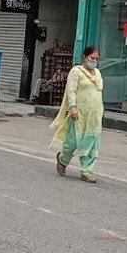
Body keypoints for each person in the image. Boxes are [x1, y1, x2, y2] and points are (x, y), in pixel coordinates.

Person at [51, 46, 104, 184]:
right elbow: (71, 91)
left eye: (97, 59)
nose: (94, 61)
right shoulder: (76, 72)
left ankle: (87, 171)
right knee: (72, 142)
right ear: (85, 57)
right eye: (92, 58)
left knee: (91, 143)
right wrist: (72, 107)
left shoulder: (97, 73)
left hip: (94, 115)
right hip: (79, 114)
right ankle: (62, 159)